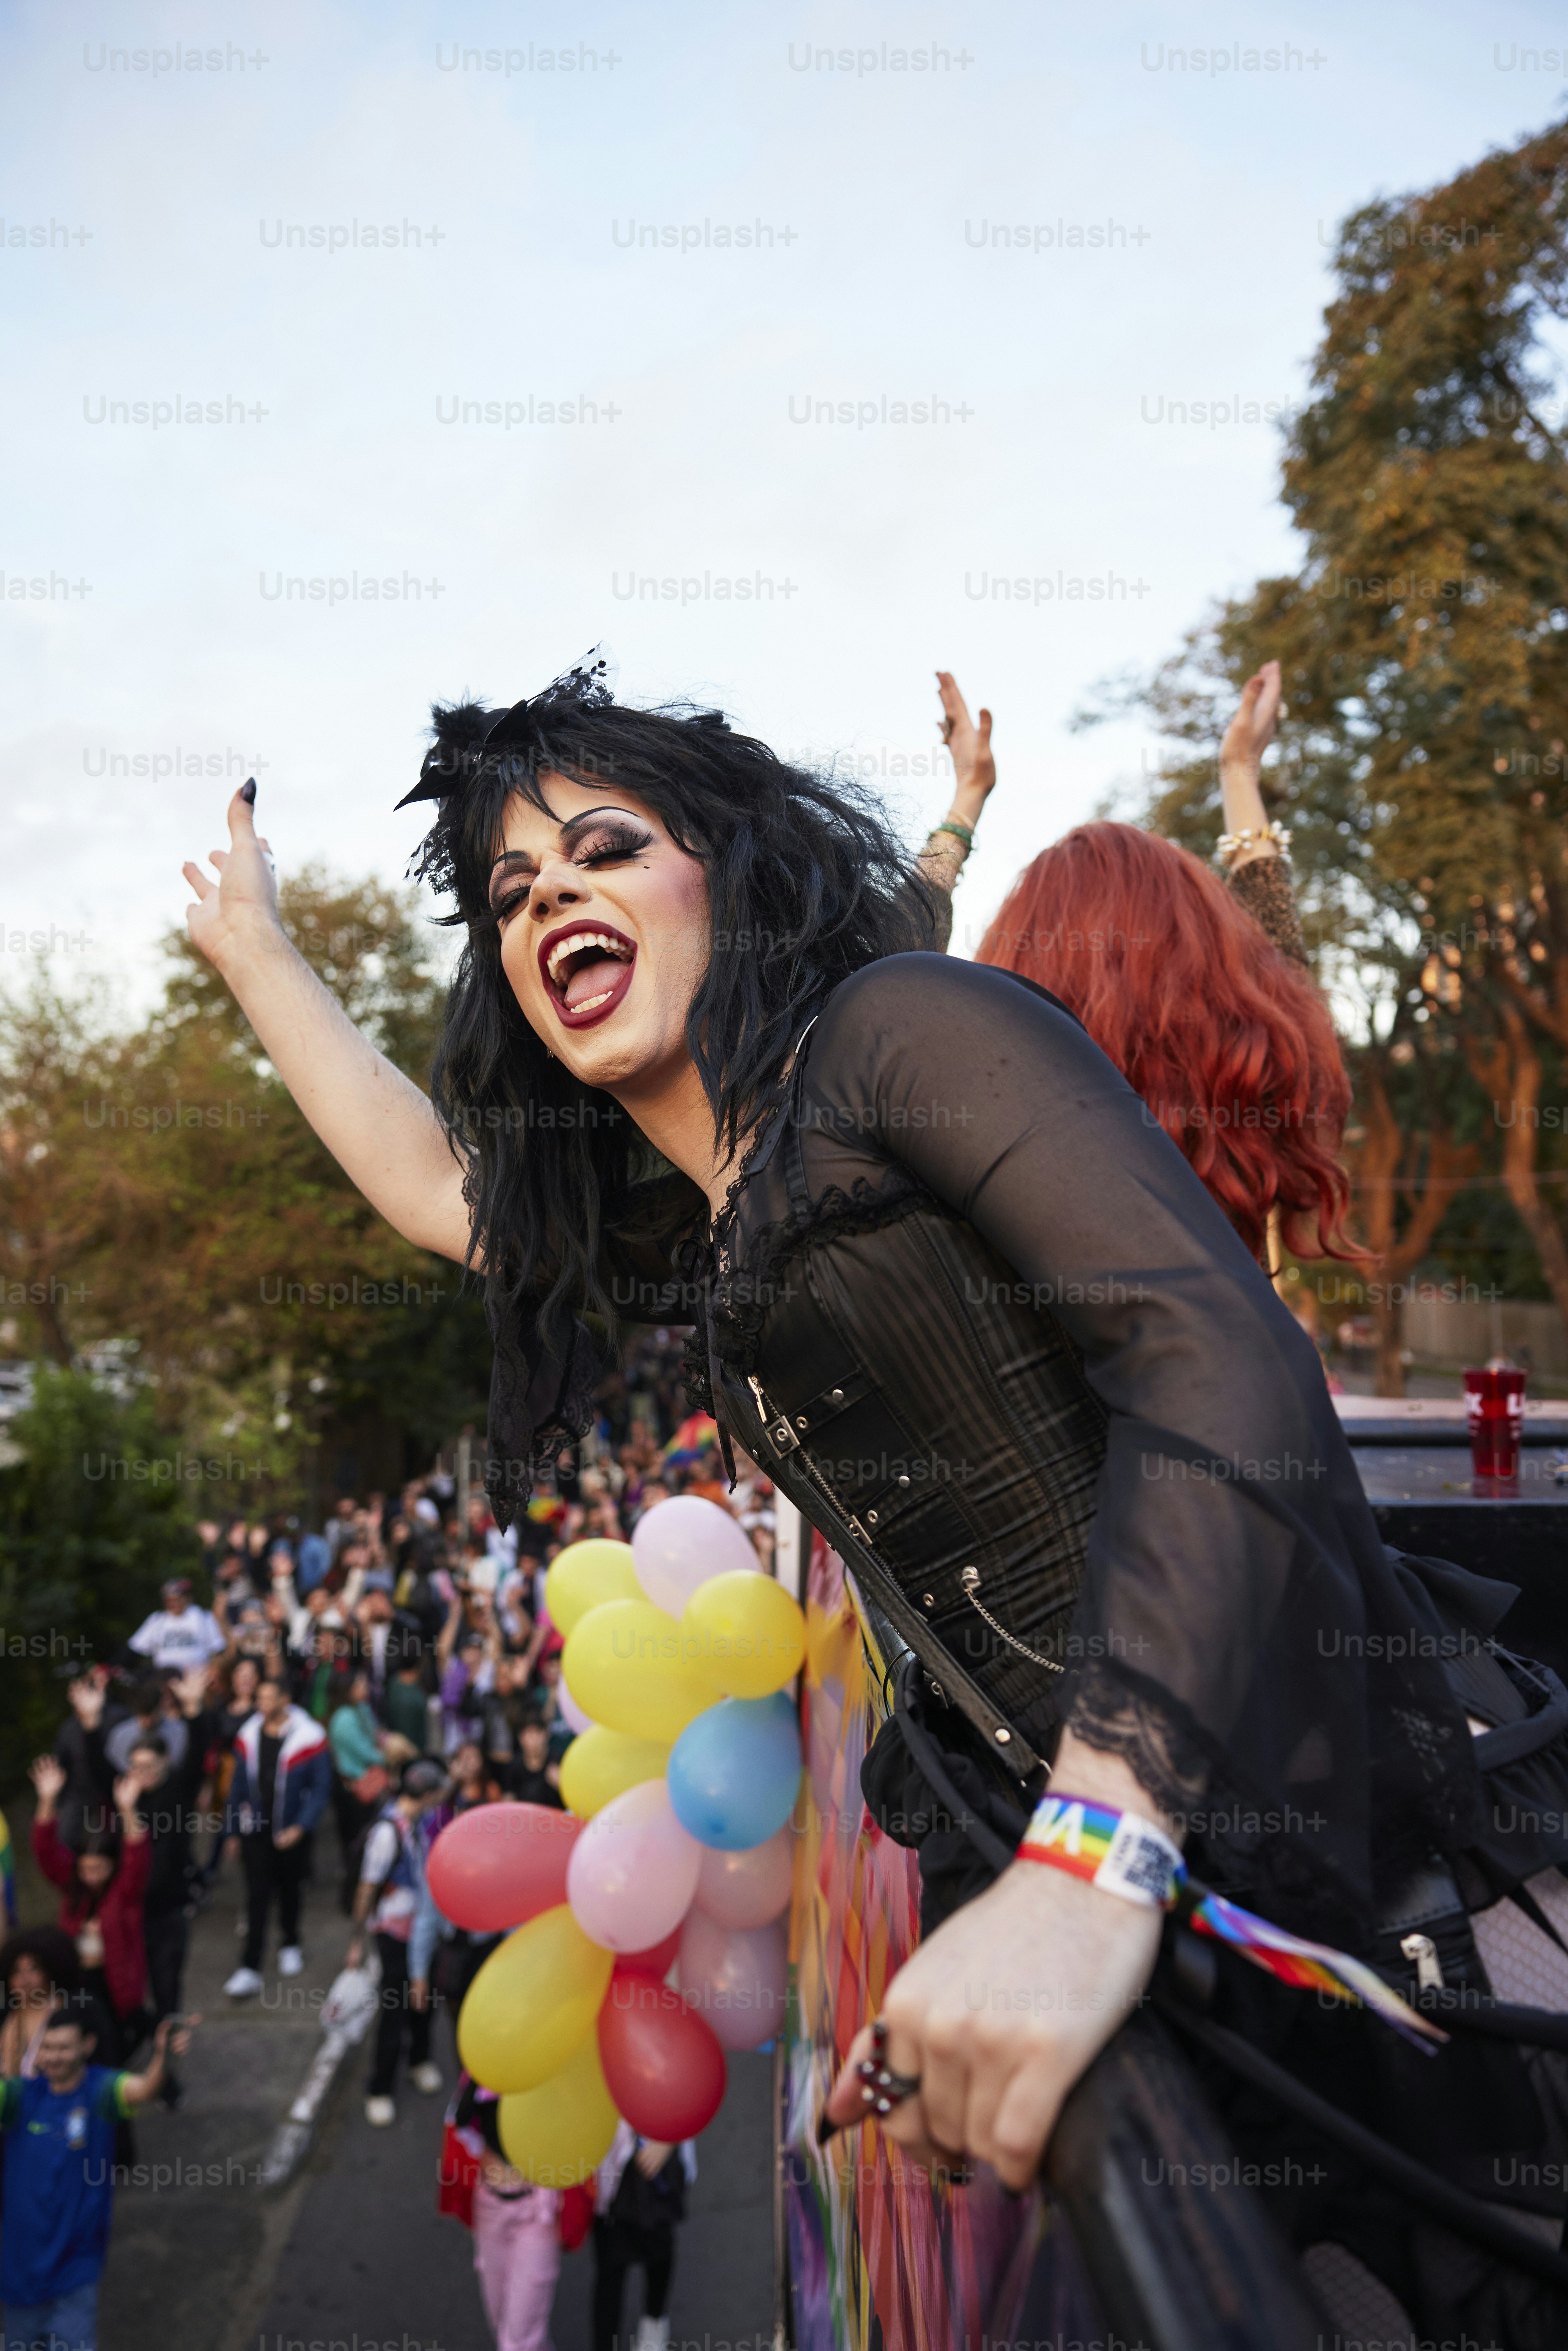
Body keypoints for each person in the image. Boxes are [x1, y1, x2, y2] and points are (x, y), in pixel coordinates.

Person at [182, 659, 1568, 2339]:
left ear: (729, 873)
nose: (552, 897)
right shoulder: (710, 1216)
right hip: (1193, 1945)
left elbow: (1215, 1361)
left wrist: (1079, 1870)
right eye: (513, 894)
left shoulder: (905, 1029)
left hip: (1391, 1875)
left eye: (606, 849)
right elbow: (428, 1186)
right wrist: (253, 945)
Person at [0, 2010, 196, 2351]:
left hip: (76, 2266)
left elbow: (147, 2087)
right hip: (19, 2272)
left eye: (63, 2048)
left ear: (87, 2046)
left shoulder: (103, 2091)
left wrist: (164, 2055)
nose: (53, 2057)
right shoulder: (19, 2097)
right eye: (46, 2048)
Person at [27, 1760, 149, 2068]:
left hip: (114, 1986)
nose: (91, 1876)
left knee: (118, 2043)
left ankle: (159, 2084)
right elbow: (45, 1850)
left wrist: (127, 1809)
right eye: (85, 1868)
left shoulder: (124, 1893)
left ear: (112, 1867)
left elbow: (138, 1853)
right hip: (78, 1982)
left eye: (99, 1869)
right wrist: (47, 1800)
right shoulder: (73, 1888)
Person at [345, 1759, 447, 2126]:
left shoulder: (416, 1823)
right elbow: (367, 1887)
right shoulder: (388, 1832)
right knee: (395, 2008)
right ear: (429, 1794)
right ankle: (380, 2087)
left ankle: (420, 2059)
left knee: (425, 1997)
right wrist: (358, 1940)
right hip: (392, 1935)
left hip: (420, 1928)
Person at [222, 1671, 331, 1999]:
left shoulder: (310, 1737)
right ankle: (250, 1965)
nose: (263, 1704)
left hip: (292, 1831)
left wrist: (302, 1826)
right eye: (260, 1698)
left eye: (269, 1698)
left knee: (290, 1889)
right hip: (256, 1829)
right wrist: (231, 1831)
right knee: (256, 1895)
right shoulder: (248, 1735)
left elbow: (321, 1787)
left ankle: (290, 1942)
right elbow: (238, 1786)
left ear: (285, 1699)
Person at [592, 2123, 696, 2351]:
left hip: (658, 2158)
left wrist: (670, 2139)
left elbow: (693, 2095)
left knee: (659, 2248)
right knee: (610, 2270)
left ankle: (654, 2326)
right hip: (608, 2165)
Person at [0, 1930, 85, 2082]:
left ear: (49, 1970)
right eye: (17, 1971)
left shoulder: (70, 2009)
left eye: (34, 1969)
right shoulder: (7, 2014)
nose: (25, 1979)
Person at [125, 1579, 227, 1677]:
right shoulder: (157, 1619)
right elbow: (136, 1647)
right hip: (164, 1677)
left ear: (188, 1598)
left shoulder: (203, 1616)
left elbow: (218, 1650)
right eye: (169, 1600)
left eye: (177, 1599)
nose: (173, 1604)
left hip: (197, 1676)